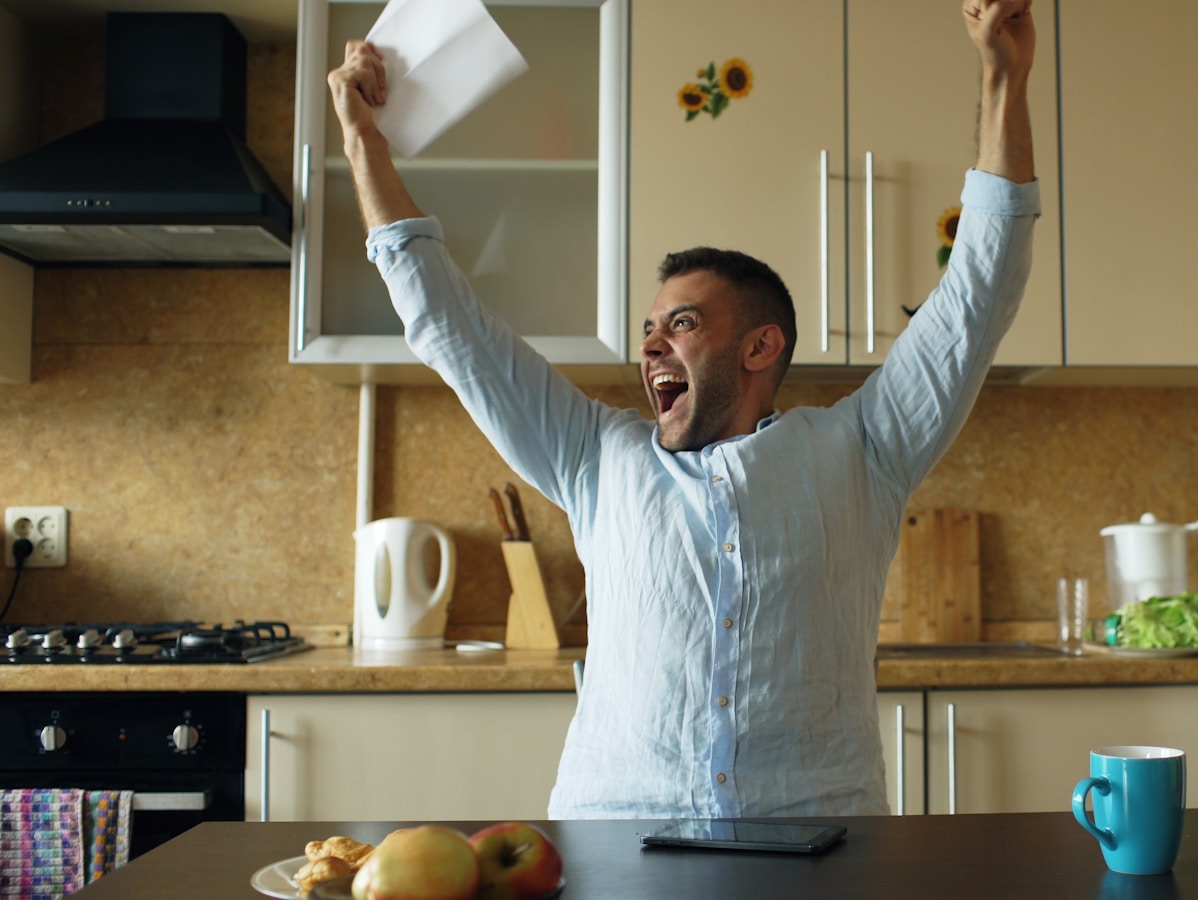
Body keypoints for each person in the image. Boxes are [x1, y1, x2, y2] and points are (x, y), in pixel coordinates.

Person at [327, 0, 1039, 819]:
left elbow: (978, 292)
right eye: (648, 330)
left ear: (761, 347)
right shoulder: (594, 456)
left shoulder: (862, 451)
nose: (652, 346)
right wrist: (363, 143)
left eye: (684, 324)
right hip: (617, 845)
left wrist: (1003, 76)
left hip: (819, 844)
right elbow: (450, 329)